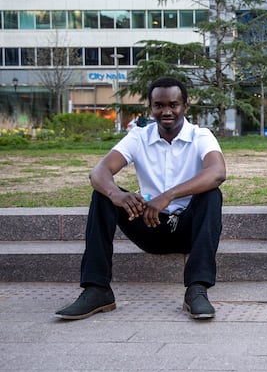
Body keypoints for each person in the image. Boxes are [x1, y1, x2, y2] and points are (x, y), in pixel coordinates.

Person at [55, 77, 226, 320]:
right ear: (151, 107)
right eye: (159, 105)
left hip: (189, 230)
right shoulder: (139, 136)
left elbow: (217, 172)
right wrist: (118, 195)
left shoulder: (201, 136)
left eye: (173, 105)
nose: (166, 111)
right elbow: (99, 172)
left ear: (185, 106)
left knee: (211, 194)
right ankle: (97, 289)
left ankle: (197, 290)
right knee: (103, 195)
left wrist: (167, 196)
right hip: (150, 225)